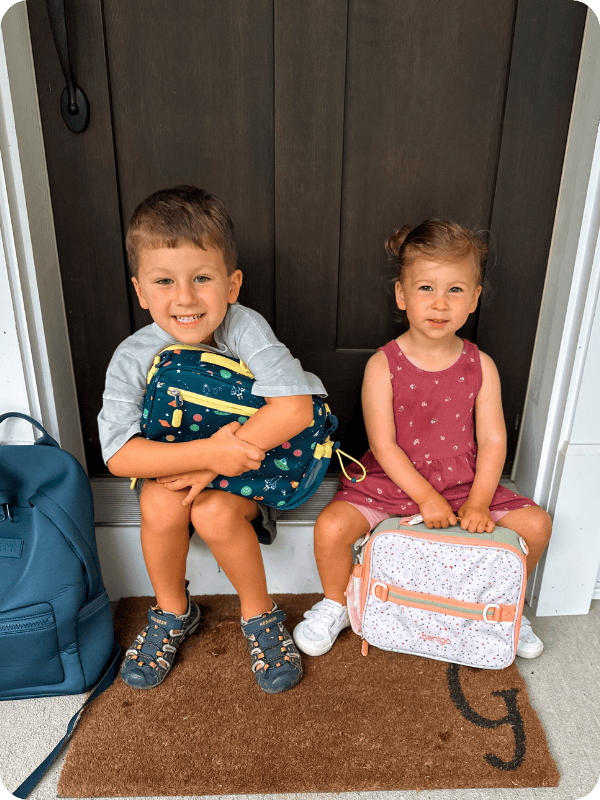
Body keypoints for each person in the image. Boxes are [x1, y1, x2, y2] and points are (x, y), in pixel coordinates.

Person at [98, 185, 327, 694]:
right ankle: (174, 611)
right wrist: (208, 454)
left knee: (213, 512)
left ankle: (260, 615)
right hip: (179, 470)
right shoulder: (134, 356)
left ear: (232, 283)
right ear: (140, 291)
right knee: (159, 505)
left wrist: (215, 466)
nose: (184, 298)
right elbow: (118, 456)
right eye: (164, 281)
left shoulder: (246, 330)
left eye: (202, 278)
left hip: (251, 479)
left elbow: (294, 409)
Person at [293, 219, 551, 660]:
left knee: (537, 525)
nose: (440, 303)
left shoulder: (480, 365)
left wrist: (479, 501)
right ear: (401, 295)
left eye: (455, 290)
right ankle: (338, 601)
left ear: (474, 298)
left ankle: (505, 605)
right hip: (393, 481)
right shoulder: (383, 365)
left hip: (463, 484)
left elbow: (492, 441)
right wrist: (426, 498)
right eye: (426, 288)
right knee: (331, 527)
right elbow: (385, 445)